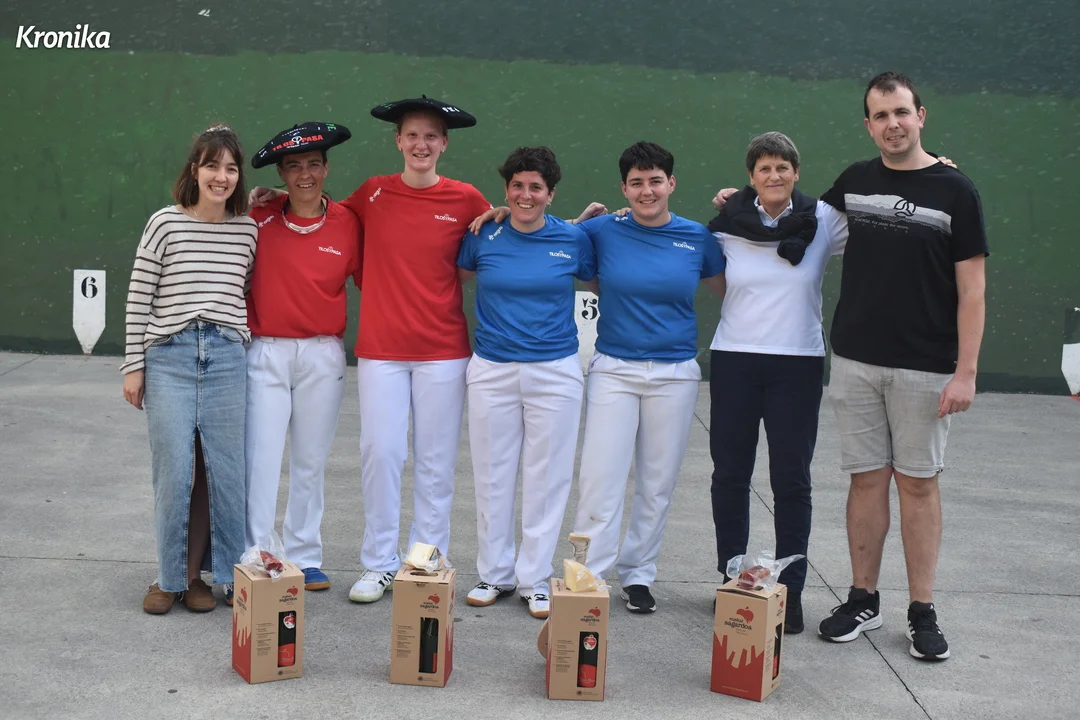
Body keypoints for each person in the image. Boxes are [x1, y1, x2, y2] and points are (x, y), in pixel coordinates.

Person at [813, 72, 987, 661]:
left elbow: (973, 290)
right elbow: (800, 222)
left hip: (926, 367)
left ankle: (922, 610)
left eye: (901, 113)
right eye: (881, 116)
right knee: (866, 480)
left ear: (921, 116)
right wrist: (740, 203)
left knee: (917, 484)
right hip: (856, 360)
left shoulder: (957, 190)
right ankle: (863, 598)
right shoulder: (854, 181)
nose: (893, 124)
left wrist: (965, 372)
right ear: (868, 125)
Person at [572, 141, 725, 614]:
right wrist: (578, 221)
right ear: (624, 188)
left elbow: (730, 291)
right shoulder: (603, 230)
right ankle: (588, 575)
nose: (646, 191)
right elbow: (550, 241)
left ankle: (638, 574)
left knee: (657, 484)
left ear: (671, 183)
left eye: (655, 180)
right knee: (600, 478)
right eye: (636, 182)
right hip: (614, 370)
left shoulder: (697, 238)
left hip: (675, 374)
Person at [706, 132, 848, 634]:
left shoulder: (824, 220)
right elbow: (714, 280)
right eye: (764, 168)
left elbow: (882, 228)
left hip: (798, 365)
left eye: (783, 167)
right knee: (730, 475)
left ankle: (791, 592)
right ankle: (731, 580)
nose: (774, 176)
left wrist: (936, 169)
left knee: (791, 480)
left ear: (796, 173)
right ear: (751, 177)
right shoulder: (727, 224)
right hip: (734, 361)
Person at [121, 124, 257, 614]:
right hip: (170, 356)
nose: (221, 176)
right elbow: (139, 296)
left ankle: (205, 578)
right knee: (175, 472)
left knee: (222, 473)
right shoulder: (164, 223)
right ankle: (168, 578)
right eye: (212, 166)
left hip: (226, 357)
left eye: (230, 168)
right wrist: (134, 366)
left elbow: (244, 289)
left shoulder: (248, 229)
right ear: (194, 170)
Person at [456, 146, 596, 619]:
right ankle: (494, 573)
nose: (525, 195)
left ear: (551, 194)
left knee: (547, 478)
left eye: (536, 187)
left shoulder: (573, 239)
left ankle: (535, 579)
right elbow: (458, 275)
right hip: (492, 369)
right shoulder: (483, 234)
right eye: (517, 186)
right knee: (492, 474)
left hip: (555, 372)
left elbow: (598, 276)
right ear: (506, 190)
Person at [243, 122, 362, 596]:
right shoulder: (257, 217)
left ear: (326, 168)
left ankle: (305, 555)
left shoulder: (349, 222)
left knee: (310, 461)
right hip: (266, 351)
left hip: (322, 354)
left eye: (314, 164)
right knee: (262, 460)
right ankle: (258, 554)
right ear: (281, 174)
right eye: (294, 167)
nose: (305, 175)